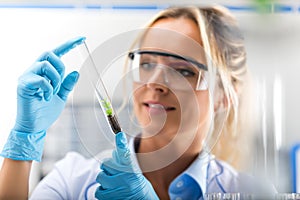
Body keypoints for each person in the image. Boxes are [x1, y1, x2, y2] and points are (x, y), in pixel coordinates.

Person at [0, 5, 276, 200]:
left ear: (225, 94)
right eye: (146, 64)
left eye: (183, 70)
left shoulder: (247, 192)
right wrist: (25, 140)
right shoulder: (74, 180)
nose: (154, 82)